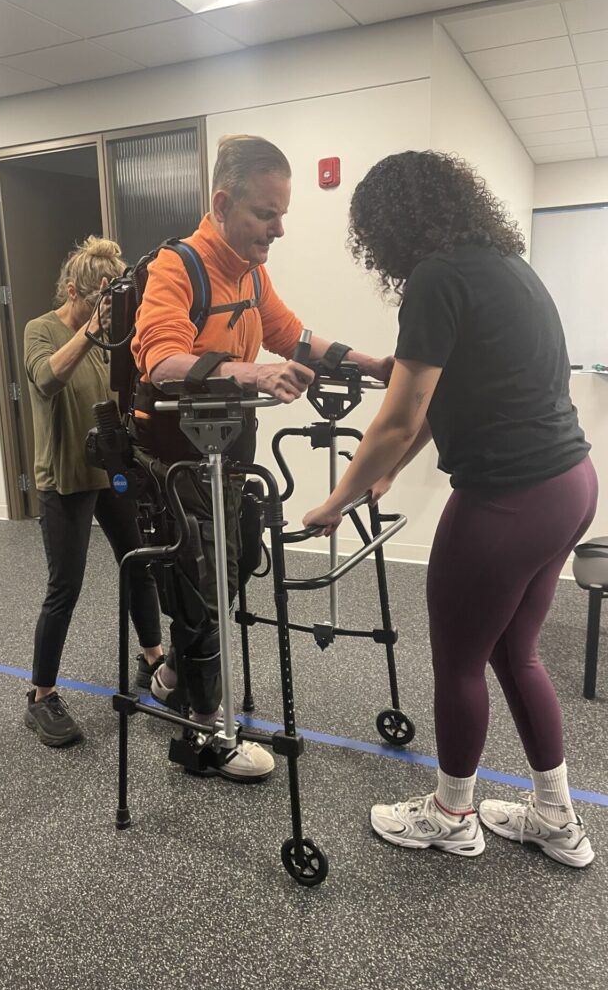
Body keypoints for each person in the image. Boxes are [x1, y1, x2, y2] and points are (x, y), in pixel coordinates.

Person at [303, 150, 598, 867]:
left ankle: (451, 815)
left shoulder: (435, 280)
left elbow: (400, 416)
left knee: (459, 662)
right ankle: (556, 818)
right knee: (513, 651)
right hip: (572, 485)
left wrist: (337, 498)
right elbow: (441, 403)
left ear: (389, 225)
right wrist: (389, 476)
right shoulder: (509, 269)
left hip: (506, 502)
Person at [131, 134, 392, 781]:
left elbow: (291, 335)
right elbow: (161, 361)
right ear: (223, 203)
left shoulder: (248, 271)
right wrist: (251, 375)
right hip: (176, 459)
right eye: (265, 214)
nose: (278, 228)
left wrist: (372, 364)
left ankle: (169, 674)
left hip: (226, 449)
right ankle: (202, 737)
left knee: (241, 557)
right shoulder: (179, 267)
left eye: (282, 214)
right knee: (203, 586)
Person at [24, 236, 164, 746]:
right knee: (66, 587)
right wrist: (92, 329)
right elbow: (46, 379)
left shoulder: (115, 336)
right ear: (72, 290)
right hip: (65, 480)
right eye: (94, 300)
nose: (103, 310)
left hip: (112, 473)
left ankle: (154, 660)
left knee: (139, 565)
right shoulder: (40, 329)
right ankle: (41, 696)